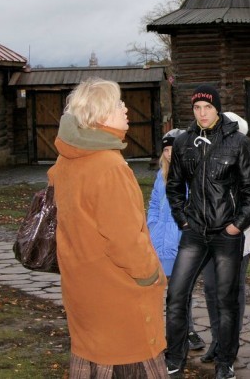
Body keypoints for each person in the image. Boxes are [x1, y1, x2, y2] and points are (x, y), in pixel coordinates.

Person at [49, 78, 167, 377]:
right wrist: (151, 274)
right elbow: (125, 242)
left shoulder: (66, 161)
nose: (125, 108)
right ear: (100, 114)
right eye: (117, 104)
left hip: (84, 292)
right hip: (119, 299)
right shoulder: (109, 167)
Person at [164, 84, 250, 378]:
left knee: (226, 300)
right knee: (175, 296)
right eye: (197, 108)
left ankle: (225, 362)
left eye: (207, 107)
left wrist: (236, 225)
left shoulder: (238, 143)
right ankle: (175, 357)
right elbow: (174, 187)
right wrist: (182, 219)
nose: (202, 113)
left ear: (217, 108)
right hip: (194, 231)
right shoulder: (183, 143)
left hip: (226, 234)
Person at [198, 112, 250, 364]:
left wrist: (234, 226)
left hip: (237, 239)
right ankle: (217, 340)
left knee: (231, 292)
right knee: (212, 290)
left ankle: (229, 344)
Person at [147, 128, 205, 352]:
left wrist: (185, 231)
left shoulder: (190, 176)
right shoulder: (160, 176)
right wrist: (152, 226)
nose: (170, 154)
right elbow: (153, 204)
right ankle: (163, 332)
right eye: (167, 150)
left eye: (174, 149)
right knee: (160, 291)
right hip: (159, 243)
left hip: (179, 242)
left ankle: (187, 331)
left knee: (181, 291)